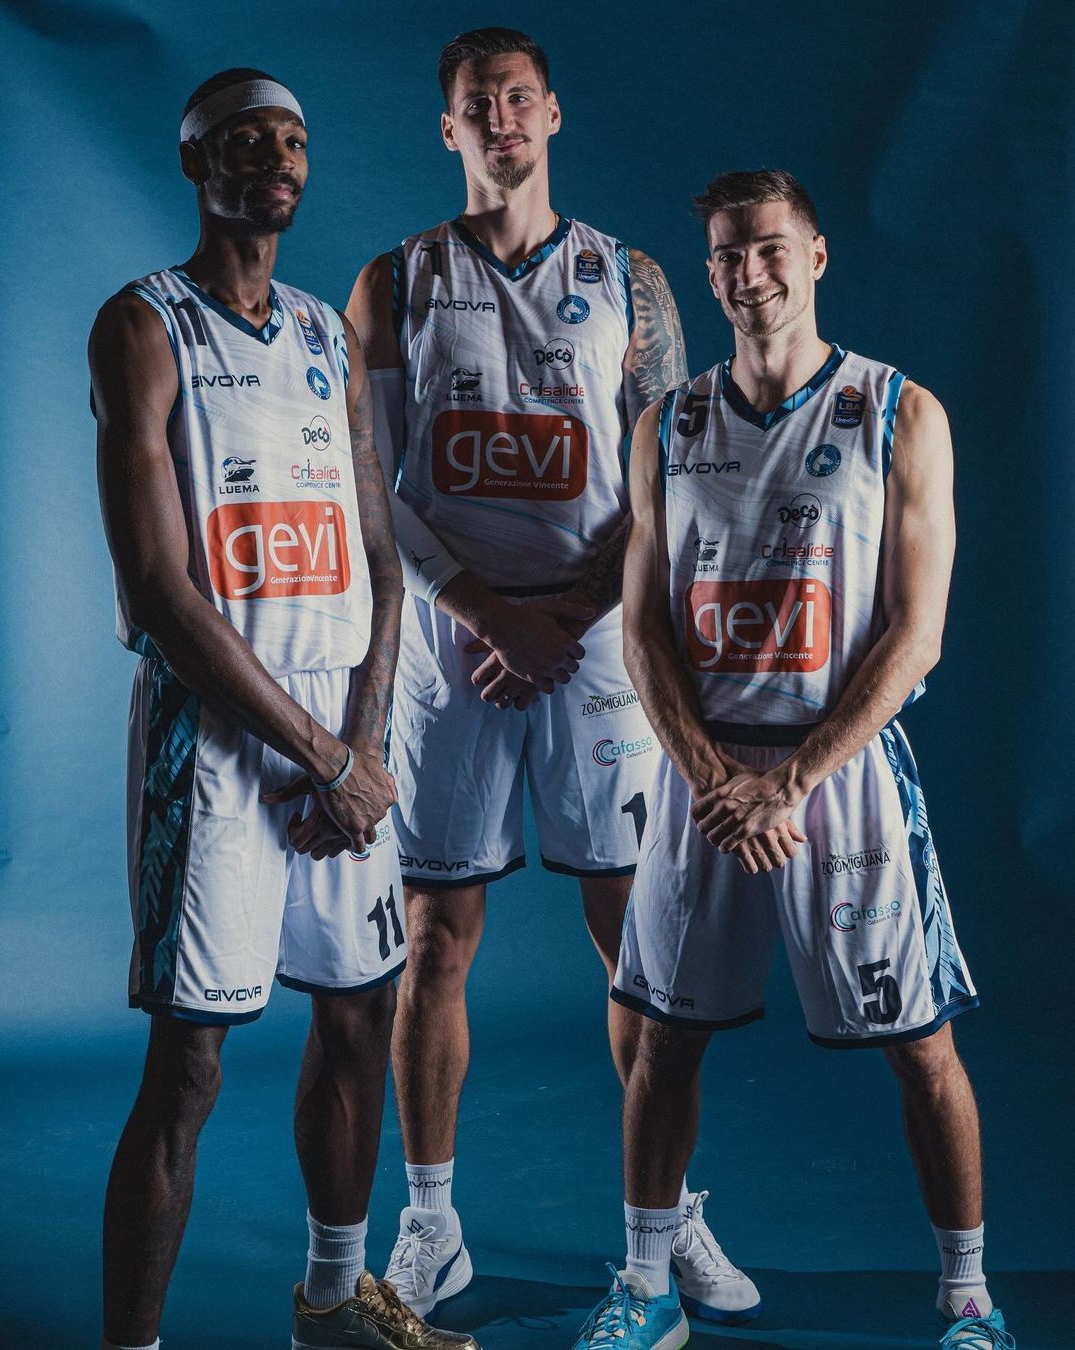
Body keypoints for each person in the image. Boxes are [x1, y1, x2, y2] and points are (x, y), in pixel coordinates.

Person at [346, 26, 759, 1327]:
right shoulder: (396, 281)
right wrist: (484, 611)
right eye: (478, 103)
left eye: (519, 97)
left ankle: (669, 1217)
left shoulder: (630, 281)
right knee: (435, 941)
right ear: (449, 129)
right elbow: (370, 486)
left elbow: (669, 474)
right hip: (453, 647)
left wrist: (569, 613)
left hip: (594, 649)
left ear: (554, 113)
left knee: (638, 944)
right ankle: (432, 1221)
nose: (502, 118)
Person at [571, 168, 1015, 1350]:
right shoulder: (670, 425)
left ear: (816, 256)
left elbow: (917, 632)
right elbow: (642, 626)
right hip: (705, 776)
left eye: (769, 247)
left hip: (841, 774)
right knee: (662, 1037)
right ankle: (647, 1286)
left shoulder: (898, 412)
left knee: (921, 1045)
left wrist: (795, 780)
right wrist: (717, 779)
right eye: (726, 253)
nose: (747, 273)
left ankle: (970, 1296)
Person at [90, 68, 478, 1350]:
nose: (276, 159)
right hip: (217, 734)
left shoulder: (323, 332)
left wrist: (360, 746)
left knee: (362, 1015)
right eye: (247, 140)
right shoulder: (143, 324)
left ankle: (332, 1302)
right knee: (191, 1064)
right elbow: (157, 589)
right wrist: (320, 755)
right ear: (194, 161)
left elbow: (382, 560)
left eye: (295, 141)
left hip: (338, 732)